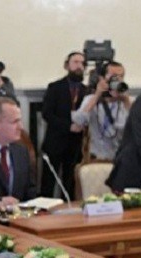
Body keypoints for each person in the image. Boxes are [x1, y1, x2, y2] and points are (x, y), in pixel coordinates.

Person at [40, 51, 87, 197]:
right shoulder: (55, 87)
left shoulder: (86, 91)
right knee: (48, 182)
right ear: (67, 65)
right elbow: (47, 114)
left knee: (70, 183)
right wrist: (68, 126)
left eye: (82, 63)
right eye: (75, 62)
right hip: (55, 141)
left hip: (75, 144)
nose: (79, 66)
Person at [72, 61, 132, 161]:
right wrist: (97, 95)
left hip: (120, 158)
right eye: (114, 76)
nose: (118, 80)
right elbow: (78, 121)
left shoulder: (127, 103)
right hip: (95, 158)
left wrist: (126, 101)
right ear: (102, 79)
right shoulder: (91, 100)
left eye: (121, 76)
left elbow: (139, 126)